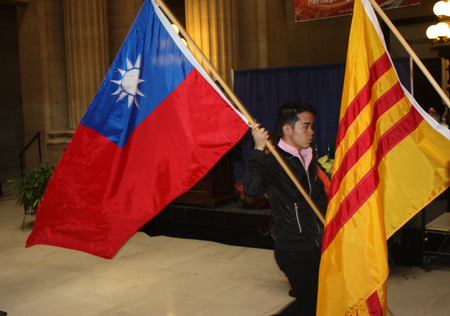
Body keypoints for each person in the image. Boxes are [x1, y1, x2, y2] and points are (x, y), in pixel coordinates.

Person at [243, 100, 328, 316]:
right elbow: (251, 190)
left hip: (316, 243)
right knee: (309, 304)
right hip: (293, 248)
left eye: (312, 126)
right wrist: (259, 150)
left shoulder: (307, 158)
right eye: (306, 126)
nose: (311, 132)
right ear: (288, 129)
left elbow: (318, 199)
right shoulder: (276, 163)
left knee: (319, 302)